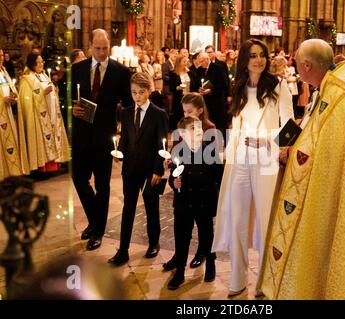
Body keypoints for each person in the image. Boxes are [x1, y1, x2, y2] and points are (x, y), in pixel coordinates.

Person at [260, 39, 345, 300]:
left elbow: (327, 155)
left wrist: (290, 153)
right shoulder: (324, 89)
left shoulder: (340, 99)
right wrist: (288, 144)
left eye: (297, 63)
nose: (295, 68)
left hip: (324, 198)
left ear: (307, 65)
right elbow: (311, 131)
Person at [212, 39, 294, 298]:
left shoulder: (278, 86)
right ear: (244, 60)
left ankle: (264, 281)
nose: (258, 60)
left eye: (262, 55)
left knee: (264, 221)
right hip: (239, 161)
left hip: (265, 161)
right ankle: (237, 279)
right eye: (253, 56)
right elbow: (236, 124)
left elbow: (291, 127)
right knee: (237, 219)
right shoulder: (238, 87)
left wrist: (269, 141)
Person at [71, 29, 133, 251]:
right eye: (97, 48)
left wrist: (124, 136)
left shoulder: (120, 71)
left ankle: (98, 231)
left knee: (103, 185)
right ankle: (95, 220)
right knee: (78, 178)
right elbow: (68, 99)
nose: (101, 52)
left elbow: (128, 106)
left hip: (105, 137)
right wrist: (72, 109)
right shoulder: (77, 68)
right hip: (81, 135)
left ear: (109, 46)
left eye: (105, 48)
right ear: (90, 46)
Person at [108, 72, 168, 266]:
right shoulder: (125, 112)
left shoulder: (159, 114)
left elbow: (162, 144)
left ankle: (153, 243)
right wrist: (120, 153)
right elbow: (125, 138)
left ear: (149, 91)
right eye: (134, 92)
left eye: (141, 92)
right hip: (130, 169)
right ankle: (123, 250)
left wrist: (158, 170)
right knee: (128, 208)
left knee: (151, 208)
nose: (137, 96)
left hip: (150, 169)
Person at [163, 93, 220, 272]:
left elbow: (216, 169)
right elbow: (176, 160)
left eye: (190, 111)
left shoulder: (209, 132)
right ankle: (179, 263)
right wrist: (171, 166)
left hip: (203, 192)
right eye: (184, 111)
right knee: (182, 232)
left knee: (205, 230)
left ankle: (206, 257)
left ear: (200, 111)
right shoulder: (182, 130)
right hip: (185, 192)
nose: (186, 115)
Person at [18, 52, 70, 174]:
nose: (41, 64)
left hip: (50, 113)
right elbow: (26, 99)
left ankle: (54, 165)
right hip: (38, 117)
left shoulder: (43, 75)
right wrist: (43, 93)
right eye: (39, 62)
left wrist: (54, 91)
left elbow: (49, 90)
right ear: (32, 63)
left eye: (42, 62)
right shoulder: (27, 79)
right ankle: (42, 168)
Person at [0, 49, 29, 181]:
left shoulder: (4, 71)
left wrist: (13, 96)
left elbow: (12, 87)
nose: (1, 58)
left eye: (1, 55)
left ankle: (12, 173)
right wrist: (2, 100)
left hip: (8, 112)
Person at [168, 55, 199, 130]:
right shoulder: (173, 73)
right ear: (179, 62)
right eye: (184, 61)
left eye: (186, 61)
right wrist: (179, 87)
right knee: (179, 116)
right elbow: (171, 87)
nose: (186, 63)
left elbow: (195, 85)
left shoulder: (190, 72)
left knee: (190, 117)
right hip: (179, 98)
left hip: (190, 98)